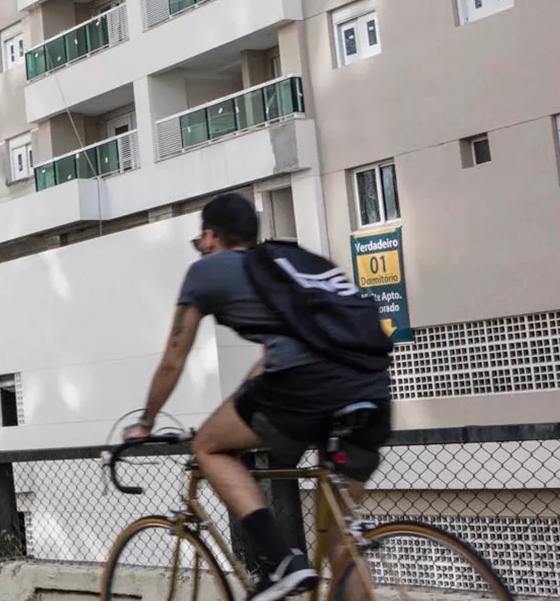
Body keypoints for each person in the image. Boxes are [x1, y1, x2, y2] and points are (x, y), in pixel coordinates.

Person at [124, 194, 393, 601]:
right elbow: (270, 361)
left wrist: (145, 421)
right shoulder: (294, 264)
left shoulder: (208, 271)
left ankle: (280, 562)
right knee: (341, 544)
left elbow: (173, 357)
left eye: (201, 241)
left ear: (211, 236)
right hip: (371, 388)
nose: (202, 249)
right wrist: (234, 409)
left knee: (208, 446)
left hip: (306, 387)